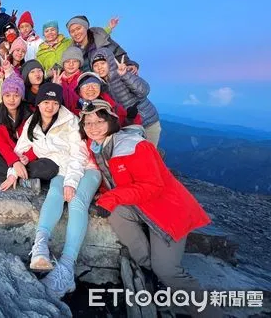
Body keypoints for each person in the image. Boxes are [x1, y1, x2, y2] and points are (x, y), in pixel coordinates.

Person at [78, 99, 219, 318]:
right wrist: (106, 195)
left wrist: (111, 197)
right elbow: (118, 181)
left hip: (167, 211)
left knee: (168, 270)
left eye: (99, 121)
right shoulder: (99, 146)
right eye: (88, 123)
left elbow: (153, 185)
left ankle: (208, 313)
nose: (93, 127)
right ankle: (152, 271)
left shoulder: (134, 146)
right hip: (140, 205)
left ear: (112, 122)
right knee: (117, 214)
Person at [14, 83, 101, 298]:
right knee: (55, 192)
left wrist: (71, 182)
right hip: (61, 169)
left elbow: (79, 155)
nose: (50, 106)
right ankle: (41, 245)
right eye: (46, 102)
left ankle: (66, 267)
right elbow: (21, 147)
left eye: (54, 102)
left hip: (86, 168)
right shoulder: (32, 123)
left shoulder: (69, 120)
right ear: (39, 103)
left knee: (77, 200)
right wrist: (23, 157)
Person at [0, 75, 59, 193]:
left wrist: (26, 158)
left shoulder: (31, 113)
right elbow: (1, 143)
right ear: (2, 97)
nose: (11, 99)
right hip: (10, 156)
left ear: (21, 97)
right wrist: (15, 162)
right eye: (7, 95)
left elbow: (38, 142)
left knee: (50, 167)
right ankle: (24, 179)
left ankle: (5, 173)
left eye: (16, 95)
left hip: (29, 157)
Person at [90, 48, 160, 146]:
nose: (99, 67)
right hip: (129, 127)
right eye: (95, 65)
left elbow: (144, 91)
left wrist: (125, 75)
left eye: (102, 63)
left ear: (110, 62)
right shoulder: (101, 86)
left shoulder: (123, 73)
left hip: (147, 122)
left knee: (149, 156)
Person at [66, 15, 136, 73]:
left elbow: (119, 54)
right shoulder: (72, 51)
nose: (76, 33)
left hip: (111, 79)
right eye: (72, 31)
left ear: (86, 28)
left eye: (78, 28)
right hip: (90, 86)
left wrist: (129, 64)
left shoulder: (101, 40)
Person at [75, 71, 141, 127]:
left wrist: (130, 118)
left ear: (100, 89)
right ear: (79, 91)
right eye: (85, 86)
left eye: (95, 85)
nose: (90, 88)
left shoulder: (112, 105)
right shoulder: (75, 110)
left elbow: (124, 127)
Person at [52, 46, 83, 115]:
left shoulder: (84, 79)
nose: (71, 64)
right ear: (63, 64)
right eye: (67, 61)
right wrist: (54, 87)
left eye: (75, 61)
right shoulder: (56, 79)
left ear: (80, 63)